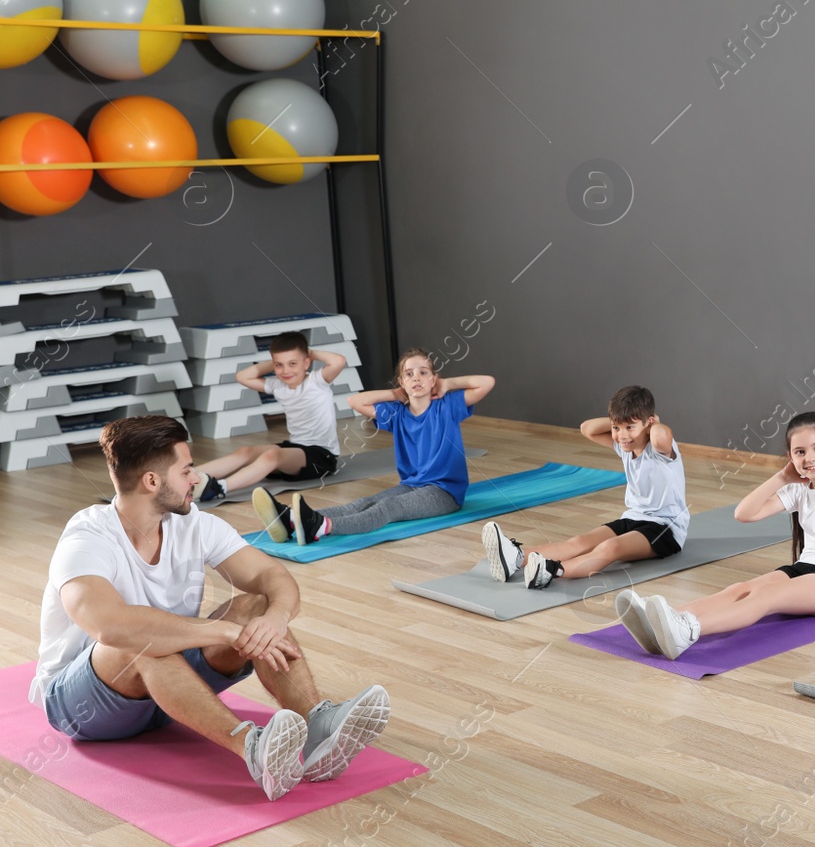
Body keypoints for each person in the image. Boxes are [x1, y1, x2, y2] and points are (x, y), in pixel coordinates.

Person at [31, 415, 390, 801]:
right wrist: (223, 632)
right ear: (151, 482)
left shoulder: (194, 524)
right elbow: (109, 626)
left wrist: (274, 617)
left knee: (254, 606)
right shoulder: (87, 538)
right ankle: (254, 750)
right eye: (186, 471)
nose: (195, 480)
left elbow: (272, 577)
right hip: (82, 706)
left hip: (169, 693)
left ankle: (319, 721)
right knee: (141, 643)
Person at [615, 411, 815, 660]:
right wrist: (782, 478)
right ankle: (662, 624)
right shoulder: (798, 489)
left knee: (767, 598)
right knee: (740, 589)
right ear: (791, 458)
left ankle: (687, 631)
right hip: (806, 567)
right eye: (800, 452)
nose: (810, 458)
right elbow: (744, 513)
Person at [252, 349, 494, 545]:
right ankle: (291, 520)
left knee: (389, 508)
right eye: (409, 374)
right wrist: (395, 393)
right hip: (411, 486)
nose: (416, 378)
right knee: (365, 502)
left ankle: (322, 526)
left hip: (445, 493)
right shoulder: (397, 413)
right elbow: (354, 401)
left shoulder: (447, 406)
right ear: (401, 382)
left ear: (433, 379)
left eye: (423, 373)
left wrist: (447, 383)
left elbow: (486, 382)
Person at [480, 385, 688, 588]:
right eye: (616, 428)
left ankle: (552, 571)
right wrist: (622, 420)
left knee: (610, 547)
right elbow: (586, 428)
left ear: (649, 423)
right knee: (580, 542)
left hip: (665, 528)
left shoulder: (659, 450)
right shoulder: (625, 447)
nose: (622, 435)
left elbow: (661, 435)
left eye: (630, 427)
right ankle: (515, 558)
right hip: (632, 519)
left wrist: (652, 422)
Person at [192, 332, 345, 503]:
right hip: (295, 448)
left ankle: (219, 488)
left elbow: (339, 361)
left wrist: (308, 353)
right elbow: (242, 376)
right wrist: (279, 361)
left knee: (272, 455)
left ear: (306, 363)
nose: (286, 370)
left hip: (321, 457)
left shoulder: (317, 381)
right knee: (245, 452)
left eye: (293, 364)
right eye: (279, 365)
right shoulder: (277, 386)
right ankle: (188, 476)